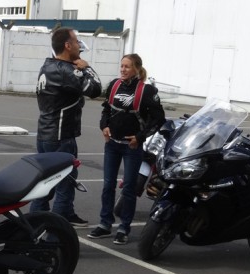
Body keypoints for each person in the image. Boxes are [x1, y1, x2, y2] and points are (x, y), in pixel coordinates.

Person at [88, 54, 164, 244]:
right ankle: (105, 224)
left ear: (137, 68)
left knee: (129, 188)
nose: (123, 69)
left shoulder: (147, 91)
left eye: (127, 66)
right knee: (108, 186)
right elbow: (106, 110)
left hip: (132, 148)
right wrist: (104, 126)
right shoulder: (114, 85)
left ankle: (124, 228)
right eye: (121, 66)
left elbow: (158, 119)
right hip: (112, 145)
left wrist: (140, 137)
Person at [30, 27, 102, 227]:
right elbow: (95, 89)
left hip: (45, 134)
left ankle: (45, 220)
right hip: (60, 136)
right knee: (65, 182)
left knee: (45, 181)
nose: (80, 46)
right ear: (67, 45)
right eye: (77, 42)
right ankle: (55, 232)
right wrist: (87, 67)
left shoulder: (47, 65)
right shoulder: (65, 70)